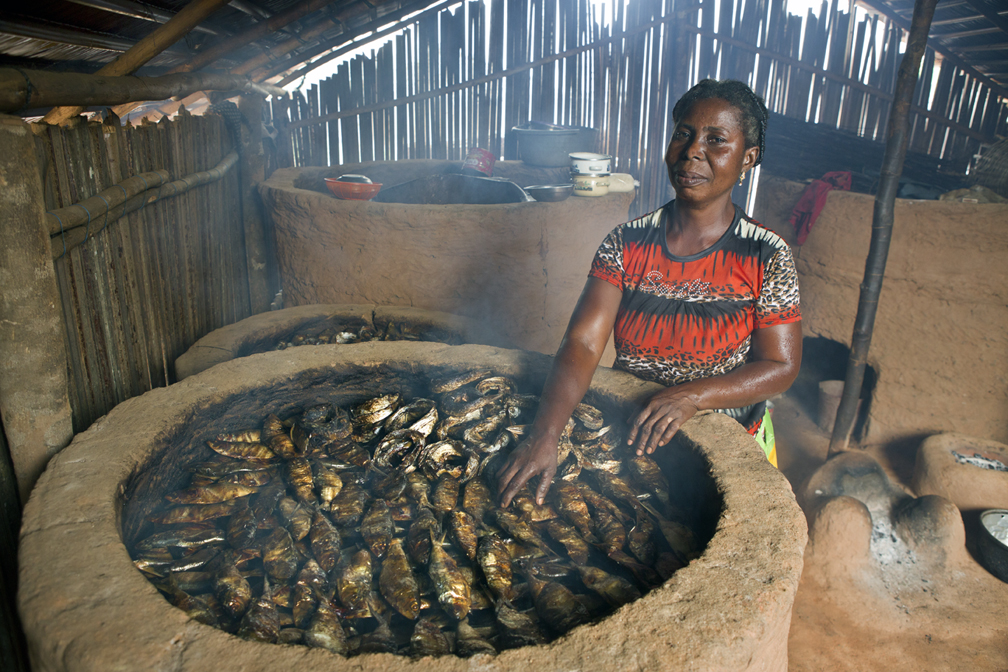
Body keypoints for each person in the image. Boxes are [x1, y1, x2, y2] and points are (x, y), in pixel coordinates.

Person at [497, 79, 802, 507]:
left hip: (730, 434)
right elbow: (584, 343)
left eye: (716, 140)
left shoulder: (766, 255)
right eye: (684, 133)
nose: (693, 150)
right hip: (633, 427)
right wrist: (545, 434)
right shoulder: (626, 244)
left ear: (748, 157)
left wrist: (693, 395)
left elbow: (780, 366)